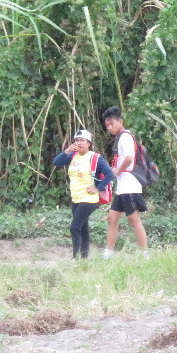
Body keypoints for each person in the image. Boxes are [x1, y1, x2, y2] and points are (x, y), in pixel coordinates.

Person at [52, 129, 114, 259]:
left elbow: (109, 174)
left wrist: (98, 188)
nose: (79, 143)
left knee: (74, 227)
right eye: (76, 140)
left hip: (89, 199)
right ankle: (84, 258)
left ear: (89, 143)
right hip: (76, 198)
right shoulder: (73, 156)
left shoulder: (95, 157)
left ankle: (75, 258)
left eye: (82, 140)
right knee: (83, 228)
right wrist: (68, 150)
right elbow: (56, 162)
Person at [101, 105, 149, 257]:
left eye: (112, 124)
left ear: (120, 121)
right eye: (107, 125)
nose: (109, 128)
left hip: (129, 186)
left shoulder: (125, 137)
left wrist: (117, 170)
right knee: (112, 218)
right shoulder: (120, 138)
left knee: (134, 220)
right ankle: (107, 255)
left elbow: (129, 158)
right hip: (122, 187)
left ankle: (145, 255)